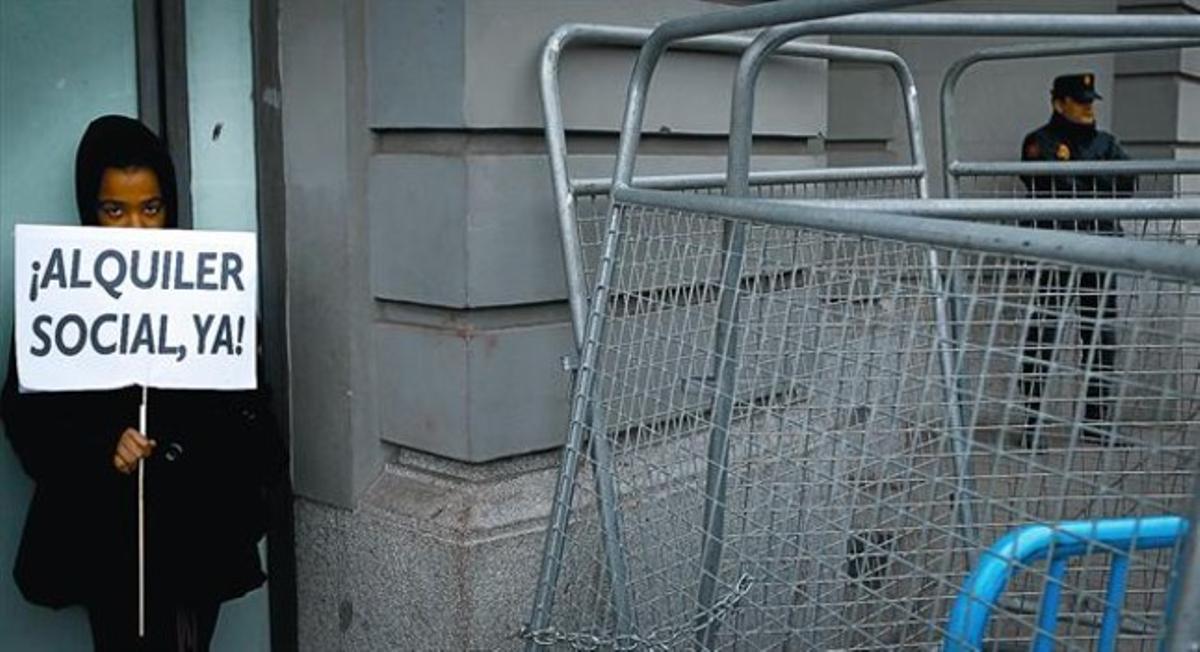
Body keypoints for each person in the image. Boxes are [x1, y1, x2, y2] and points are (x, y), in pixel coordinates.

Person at [1, 115, 284, 651]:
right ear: (91, 209)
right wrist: (102, 450)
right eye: (115, 210)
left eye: (150, 208)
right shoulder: (57, 294)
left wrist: (189, 442)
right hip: (103, 539)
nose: (135, 228)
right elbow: (26, 418)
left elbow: (253, 421)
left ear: (169, 206)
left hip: (197, 533)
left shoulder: (208, 290)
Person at [1018, 73, 1134, 447]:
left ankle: (1096, 422)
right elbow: (1049, 185)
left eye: (1090, 100)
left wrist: (1082, 185)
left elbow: (1128, 185)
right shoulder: (1039, 142)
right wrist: (1097, 185)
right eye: (1079, 100)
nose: (1088, 106)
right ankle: (1032, 421)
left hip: (1099, 249)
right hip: (1056, 250)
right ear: (1058, 103)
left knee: (1100, 336)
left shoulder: (1107, 142)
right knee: (1044, 335)